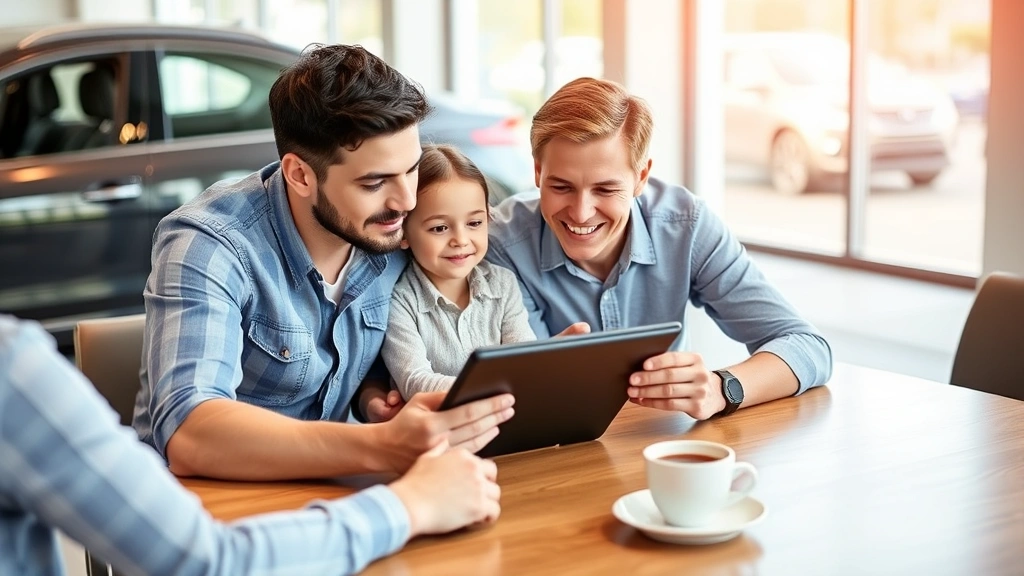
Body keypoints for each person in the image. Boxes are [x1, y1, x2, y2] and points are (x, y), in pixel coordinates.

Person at [132, 44, 517, 481]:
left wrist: (372, 396)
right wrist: (381, 446)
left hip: (330, 491)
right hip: (209, 504)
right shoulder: (210, 245)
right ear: (299, 175)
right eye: (374, 183)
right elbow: (191, 433)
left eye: (410, 170)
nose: (406, 201)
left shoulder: (391, 229)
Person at [0, 315, 501, 576]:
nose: (403, 199)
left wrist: (372, 395)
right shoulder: (12, 370)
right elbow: (204, 563)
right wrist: (409, 504)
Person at [486, 77, 833, 421]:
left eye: (606, 190)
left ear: (640, 177)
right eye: (561, 187)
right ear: (537, 172)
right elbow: (524, 395)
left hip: (662, 444)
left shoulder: (686, 226)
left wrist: (719, 388)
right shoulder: (500, 244)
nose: (580, 212)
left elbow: (807, 347)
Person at [381, 144, 536, 400]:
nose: (461, 240)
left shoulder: (503, 284)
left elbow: (524, 360)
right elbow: (414, 381)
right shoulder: (399, 300)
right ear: (403, 232)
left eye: (474, 223)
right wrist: (495, 388)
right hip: (438, 431)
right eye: (440, 228)